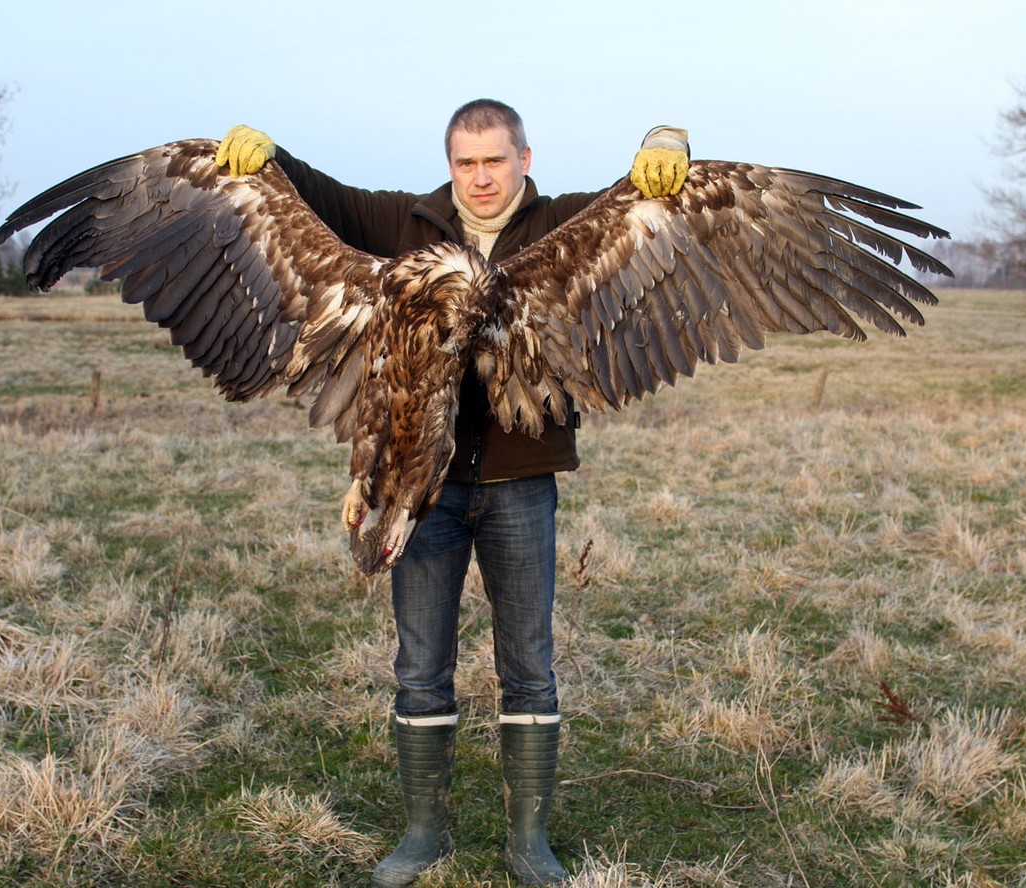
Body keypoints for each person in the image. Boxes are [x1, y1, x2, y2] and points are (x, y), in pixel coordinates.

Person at [216, 100, 688, 887]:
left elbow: (648, 197)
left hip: (519, 483)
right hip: (418, 490)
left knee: (528, 665)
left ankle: (529, 842)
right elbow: (317, 199)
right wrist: (269, 157)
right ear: (450, 166)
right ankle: (422, 835)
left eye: (495, 161)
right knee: (421, 664)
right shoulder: (405, 224)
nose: (481, 177)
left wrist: (664, 144)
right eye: (466, 163)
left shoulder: (564, 226)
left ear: (524, 160)